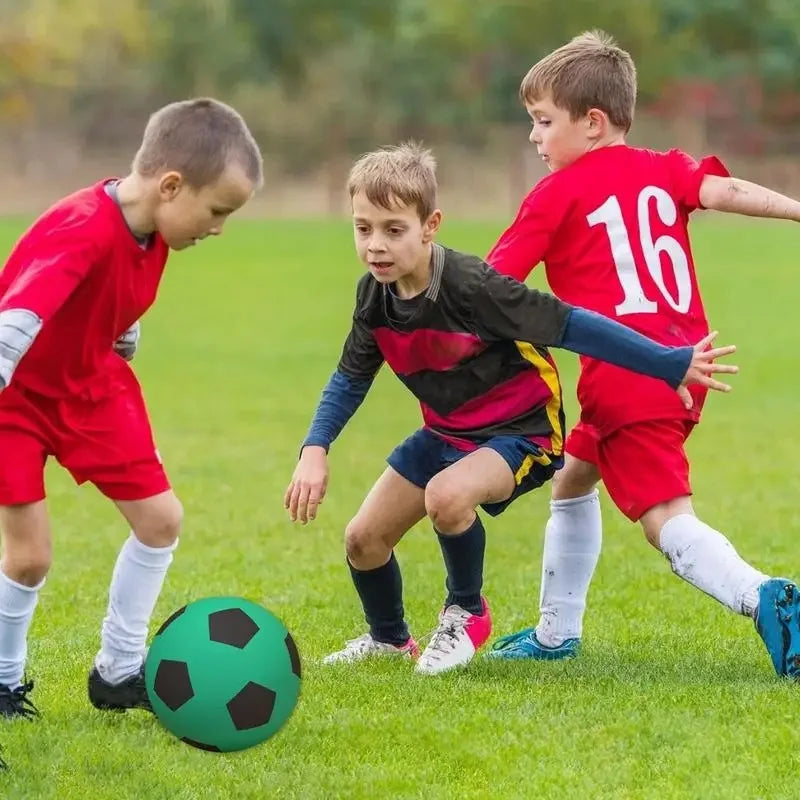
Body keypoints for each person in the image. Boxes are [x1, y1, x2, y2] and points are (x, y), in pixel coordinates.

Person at [285, 142, 736, 675]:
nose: (375, 246)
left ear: (430, 225)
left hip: (522, 431)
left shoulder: (473, 288)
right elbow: (350, 377)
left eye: (393, 229)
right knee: (363, 539)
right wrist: (315, 448)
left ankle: (466, 612)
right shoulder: (373, 298)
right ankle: (389, 639)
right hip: (449, 432)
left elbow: (573, 325)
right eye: (363, 229)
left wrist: (667, 362)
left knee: (446, 496)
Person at [484, 31, 800, 679]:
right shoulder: (665, 167)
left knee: (665, 520)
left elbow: (492, 284)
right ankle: (556, 633)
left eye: (544, 122)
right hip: (686, 364)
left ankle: (764, 596)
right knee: (574, 478)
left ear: (593, 124)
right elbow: (726, 192)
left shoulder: (555, 195)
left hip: (627, 376)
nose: (535, 138)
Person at [0, 98, 263, 732]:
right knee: (29, 555)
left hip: (91, 388)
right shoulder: (81, 226)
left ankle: (118, 671)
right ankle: (3, 682)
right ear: (172, 186)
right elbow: (19, 317)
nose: (219, 227)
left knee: (160, 519)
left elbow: (115, 286)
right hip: (18, 400)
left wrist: (123, 332)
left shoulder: (151, 227)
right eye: (217, 210)